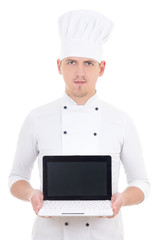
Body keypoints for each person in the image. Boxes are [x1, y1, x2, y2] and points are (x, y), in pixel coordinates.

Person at [9, 10, 150, 240]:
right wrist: (32, 194)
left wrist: (122, 198)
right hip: (50, 234)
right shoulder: (36, 117)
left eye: (89, 63)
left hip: (104, 234)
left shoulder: (121, 120)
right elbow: (16, 177)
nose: (80, 73)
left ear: (101, 68)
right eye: (71, 62)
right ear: (58, 66)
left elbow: (141, 182)